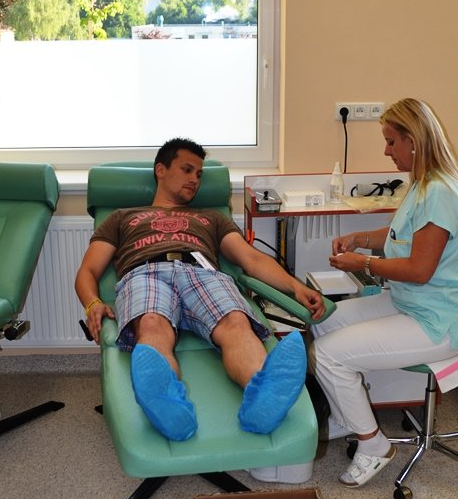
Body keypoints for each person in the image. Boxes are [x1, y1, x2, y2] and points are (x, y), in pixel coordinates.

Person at [75, 137, 325, 441]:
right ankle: (168, 407)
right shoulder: (121, 217)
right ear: (161, 170)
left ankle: (263, 398)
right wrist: (92, 303)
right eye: (187, 169)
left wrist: (295, 287)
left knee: (236, 321)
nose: (195, 179)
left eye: (199, 174)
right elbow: (88, 271)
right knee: (151, 324)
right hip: (146, 272)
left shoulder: (211, 217)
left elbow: (251, 259)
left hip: (203, 273)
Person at [309, 98, 458, 487]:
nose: (386, 151)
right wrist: (361, 238)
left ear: (413, 142)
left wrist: (364, 263)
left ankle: (374, 446)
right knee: (323, 323)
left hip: (439, 319)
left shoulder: (441, 191)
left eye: (391, 142)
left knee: (328, 355)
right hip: (410, 301)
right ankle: (348, 418)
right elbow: (399, 237)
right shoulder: (423, 184)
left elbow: (419, 270)